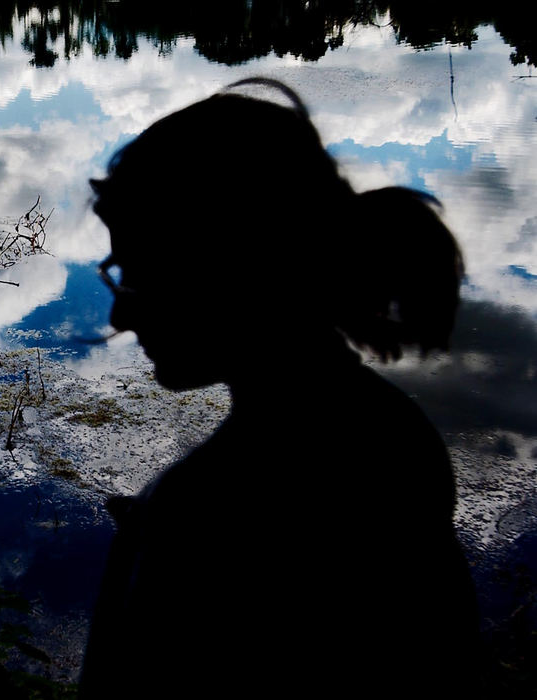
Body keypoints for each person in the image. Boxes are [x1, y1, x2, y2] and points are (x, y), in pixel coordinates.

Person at [80, 79, 478, 696]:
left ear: (237, 275)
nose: (119, 318)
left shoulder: (203, 517)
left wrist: (149, 547)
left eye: (142, 276)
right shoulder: (394, 429)